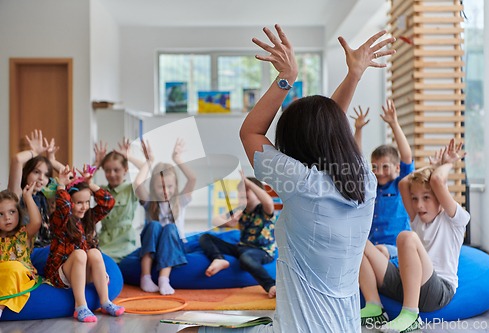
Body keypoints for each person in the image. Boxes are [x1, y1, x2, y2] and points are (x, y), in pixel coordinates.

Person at [180, 24, 395, 333]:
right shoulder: (365, 179)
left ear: (294, 145)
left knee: (187, 331)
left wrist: (287, 78)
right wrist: (354, 75)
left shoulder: (302, 183)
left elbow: (251, 132)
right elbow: (328, 129)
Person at [359, 138, 469, 333]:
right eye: (415, 199)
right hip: (408, 284)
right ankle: (375, 307)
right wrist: (432, 166)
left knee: (406, 237)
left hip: (437, 290)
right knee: (358, 241)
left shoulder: (455, 220)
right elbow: (403, 183)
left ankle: (410, 315)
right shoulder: (418, 219)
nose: (419, 205)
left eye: (426, 198)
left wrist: (446, 164)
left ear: (441, 200)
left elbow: (436, 181)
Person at [44, 165, 124, 323]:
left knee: (94, 252)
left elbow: (108, 202)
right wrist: (62, 186)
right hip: (62, 273)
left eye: (87, 202)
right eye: (78, 203)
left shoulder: (88, 218)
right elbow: (64, 207)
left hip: (82, 272)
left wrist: (90, 184)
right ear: (70, 201)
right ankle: (80, 306)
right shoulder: (60, 220)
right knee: (80, 253)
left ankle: (105, 302)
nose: (84, 207)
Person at [351, 99, 414, 260]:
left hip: (395, 249)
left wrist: (394, 123)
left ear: (397, 168)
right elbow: (356, 161)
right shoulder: (371, 187)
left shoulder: (401, 185)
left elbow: (406, 156)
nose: (379, 172)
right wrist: (358, 129)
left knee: (378, 252)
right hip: (372, 247)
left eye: (385, 167)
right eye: (375, 167)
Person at [199, 170, 277, 298]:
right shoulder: (240, 210)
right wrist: (227, 223)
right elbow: (215, 220)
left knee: (246, 258)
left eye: (247, 189)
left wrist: (249, 183)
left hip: (262, 251)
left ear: (258, 192)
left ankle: (270, 285)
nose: (242, 193)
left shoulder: (264, 209)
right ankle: (218, 259)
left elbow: (268, 201)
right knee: (205, 237)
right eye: (240, 190)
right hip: (242, 248)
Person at [134, 139, 196, 295]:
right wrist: (149, 162)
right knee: (154, 225)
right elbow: (137, 183)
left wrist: (178, 160)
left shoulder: (180, 201)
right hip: (153, 245)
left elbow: (193, 179)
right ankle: (146, 277)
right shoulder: (150, 202)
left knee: (169, 228)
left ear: (175, 185)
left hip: (176, 244)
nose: (166, 190)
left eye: (169, 186)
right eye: (160, 186)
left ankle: (163, 280)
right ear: (153, 187)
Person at [8, 129, 64, 248]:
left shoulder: (46, 196)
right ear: (27, 172)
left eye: (46, 175)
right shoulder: (17, 194)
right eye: (36, 172)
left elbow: (70, 177)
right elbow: (17, 160)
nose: (41, 178)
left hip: (49, 249)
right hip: (28, 251)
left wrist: (52, 161)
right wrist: (34, 152)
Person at [93, 137, 147, 263]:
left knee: (105, 264)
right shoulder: (102, 190)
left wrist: (129, 157)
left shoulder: (131, 189)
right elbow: (81, 183)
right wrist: (97, 163)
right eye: (107, 170)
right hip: (103, 241)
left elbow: (146, 166)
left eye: (116, 170)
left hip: (124, 243)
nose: (112, 174)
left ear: (125, 170)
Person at [0, 184, 42, 318]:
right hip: (4, 276)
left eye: (12, 212)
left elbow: (36, 222)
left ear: (19, 212)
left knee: (14, 267)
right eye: (0, 214)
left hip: (24, 276)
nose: (7, 217)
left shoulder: (23, 233)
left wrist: (27, 197)